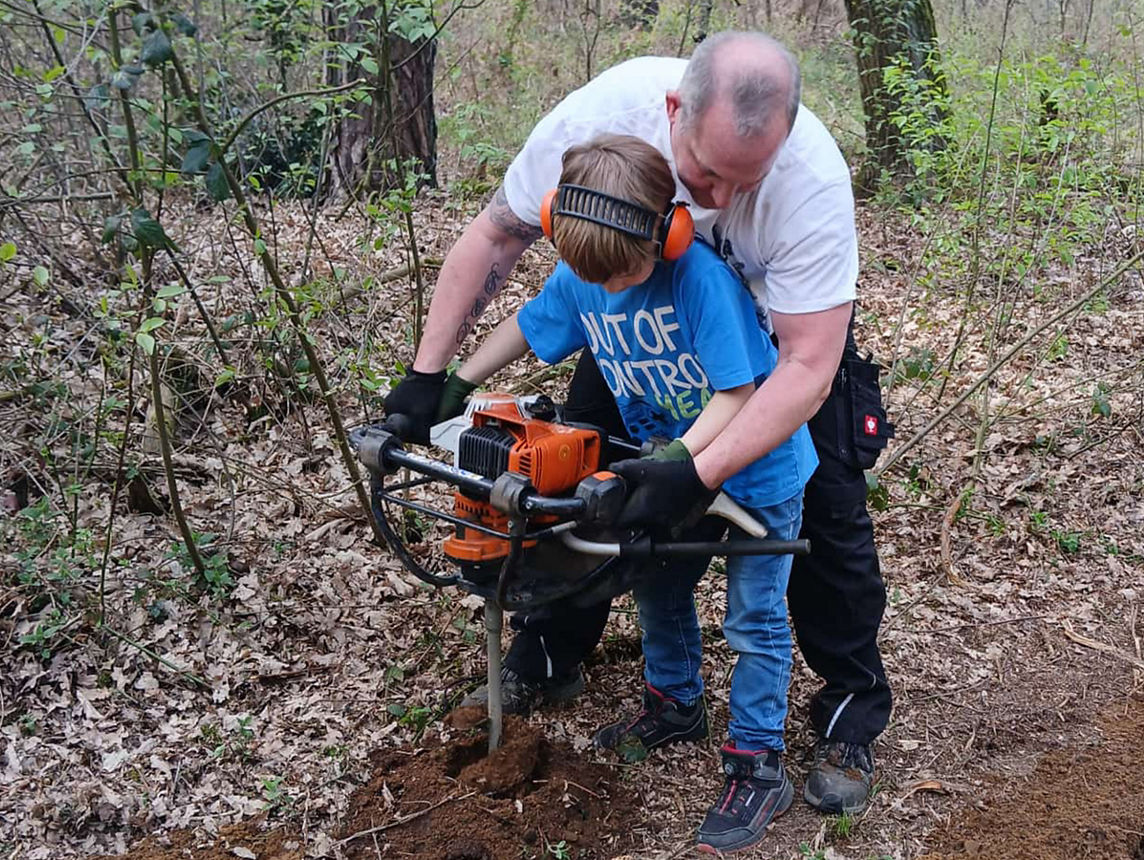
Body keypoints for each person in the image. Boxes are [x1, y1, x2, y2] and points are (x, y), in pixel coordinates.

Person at [383, 31, 894, 815]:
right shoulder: (596, 151)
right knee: (607, 514)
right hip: (652, 369)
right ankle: (572, 658)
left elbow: (800, 371)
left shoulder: (804, 188)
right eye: (707, 175)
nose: (719, 200)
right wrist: (438, 380)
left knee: (823, 521)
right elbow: (504, 251)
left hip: (766, 361)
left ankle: (840, 714)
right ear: (673, 114)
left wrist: (689, 468)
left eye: (744, 182)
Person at [445, 133, 817, 853]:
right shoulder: (587, 272)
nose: (613, 289)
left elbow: (739, 394)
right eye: (598, 277)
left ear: (666, 234)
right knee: (656, 584)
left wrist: (679, 460)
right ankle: (676, 703)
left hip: (756, 468)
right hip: (665, 469)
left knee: (754, 616)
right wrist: (451, 383)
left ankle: (757, 761)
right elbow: (530, 324)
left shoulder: (699, 281)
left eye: (625, 273)